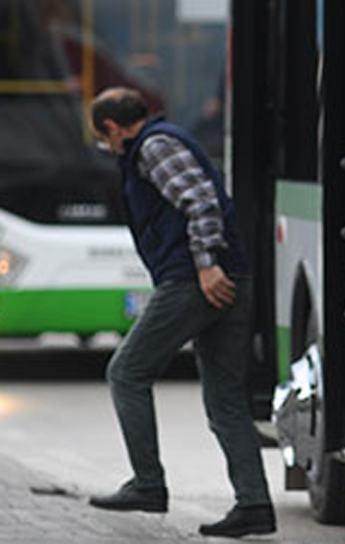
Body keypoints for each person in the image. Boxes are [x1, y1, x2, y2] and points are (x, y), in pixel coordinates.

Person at [86, 87, 275, 540]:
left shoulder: (153, 146)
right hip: (226, 278)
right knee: (225, 400)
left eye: (103, 138)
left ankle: (148, 484)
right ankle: (254, 506)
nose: (107, 147)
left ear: (113, 128)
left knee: (126, 372)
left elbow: (201, 201)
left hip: (195, 280)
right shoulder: (161, 141)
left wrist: (207, 264)